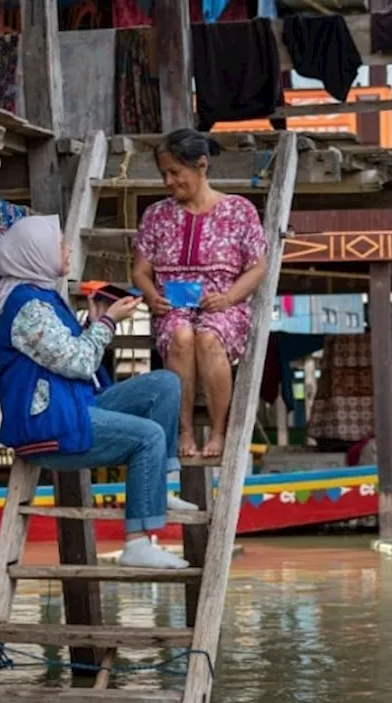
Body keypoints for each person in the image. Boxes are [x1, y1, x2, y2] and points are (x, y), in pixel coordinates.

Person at [0, 215, 196, 570]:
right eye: (59, 245)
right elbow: (79, 362)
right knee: (149, 436)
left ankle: (156, 489)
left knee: (165, 384)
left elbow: (62, 353)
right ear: (36, 254)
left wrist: (94, 323)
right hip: (49, 426)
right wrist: (108, 322)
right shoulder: (28, 306)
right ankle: (137, 542)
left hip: (71, 406)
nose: (67, 250)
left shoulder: (42, 294)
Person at [132, 128, 269, 459]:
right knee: (181, 336)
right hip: (173, 307)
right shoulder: (156, 215)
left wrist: (228, 298)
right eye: (164, 173)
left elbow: (257, 268)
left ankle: (220, 432)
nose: (168, 181)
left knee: (208, 337)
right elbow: (140, 271)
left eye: (175, 172)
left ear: (201, 166)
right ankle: (185, 430)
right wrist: (152, 296)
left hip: (223, 305)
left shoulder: (239, 210)